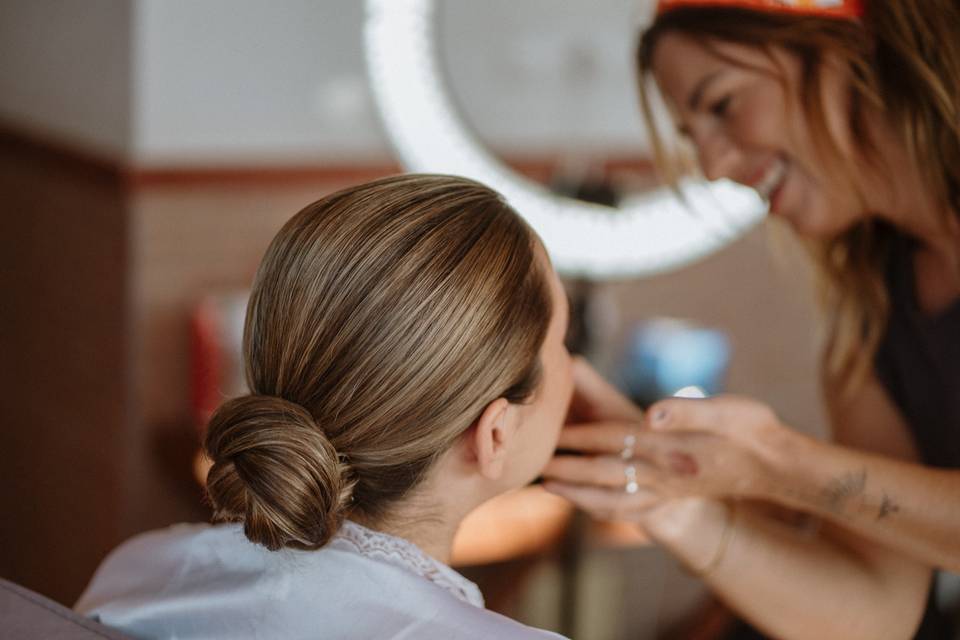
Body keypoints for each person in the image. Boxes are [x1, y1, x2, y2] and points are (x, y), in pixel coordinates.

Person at [542, 1, 960, 639]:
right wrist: (672, 503)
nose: (712, 168)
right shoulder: (868, 323)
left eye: (722, 105)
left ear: (850, 47)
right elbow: (878, 613)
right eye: (691, 136)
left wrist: (780, 464)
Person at [74, 174, 573, 639]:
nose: (579, 373)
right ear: (495, 435)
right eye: (564, 344)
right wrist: (656, 522)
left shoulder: (142, 575)